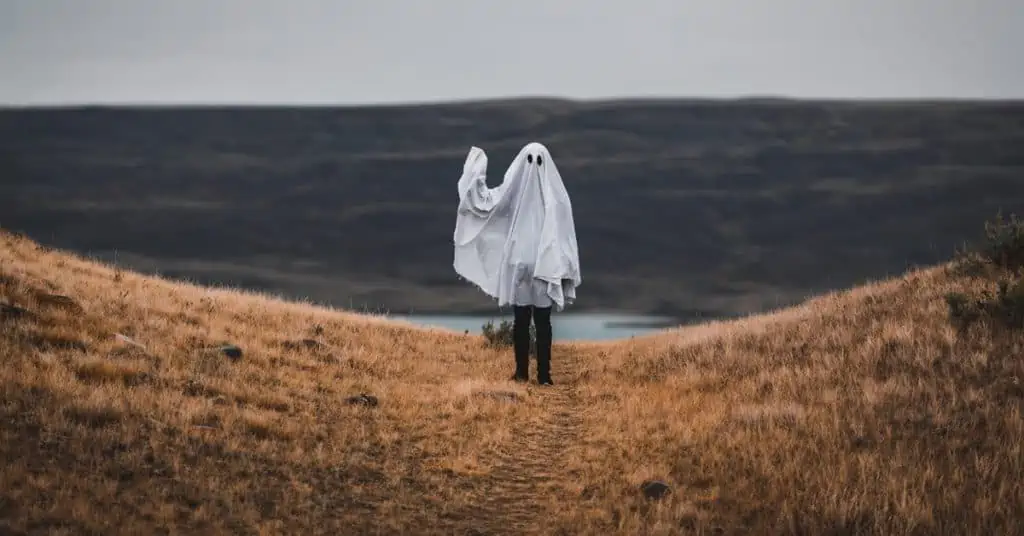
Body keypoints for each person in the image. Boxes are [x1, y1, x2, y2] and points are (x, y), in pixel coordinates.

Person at [453, 142, 582, 385]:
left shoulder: (520, 191)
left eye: (538, 161)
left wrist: (476, 180)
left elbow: (488, 203)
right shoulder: (555, 197)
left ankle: (527, 373)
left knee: (525, 321)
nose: (534, 166)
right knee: (538, 321)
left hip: (524, 264)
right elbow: (565, 234)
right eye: (531, 160)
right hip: (541, 267)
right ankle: (540, 375)